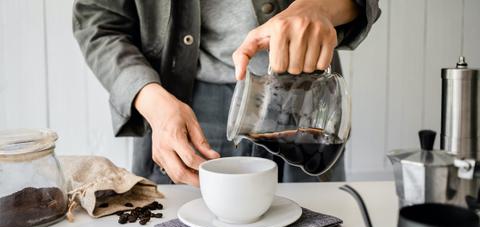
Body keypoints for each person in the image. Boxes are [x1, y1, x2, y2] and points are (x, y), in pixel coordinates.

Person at [73, 0, 381, 186]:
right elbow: (98, 22)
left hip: (308, 96)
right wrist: (150, 99)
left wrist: (319, 7)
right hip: (182, 103)